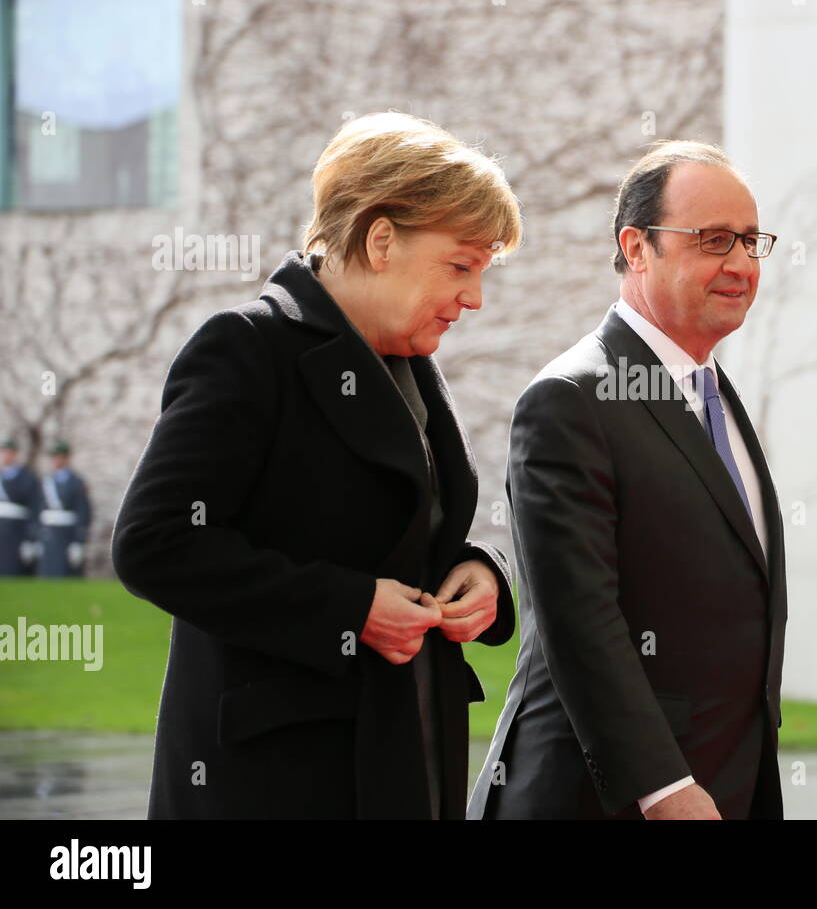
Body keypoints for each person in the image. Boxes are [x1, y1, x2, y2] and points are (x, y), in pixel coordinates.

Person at [111, 112, 522, 819]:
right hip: (279, 781)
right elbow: (154, 544)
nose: (474, 297)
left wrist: (484, 571)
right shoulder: (246, 348)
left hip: (407, 755)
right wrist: (350, 607)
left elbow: (406, 533)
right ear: (381, 237)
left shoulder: (404, 360)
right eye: (461, 265)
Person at [469, 141, 787, 820]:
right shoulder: (570, 399)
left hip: (723, 786)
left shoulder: (714, 392)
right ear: (636, 247)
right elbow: (580, 618)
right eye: (714, 240)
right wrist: (664, 787)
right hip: (602, 798)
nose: (740, 263)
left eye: (752, 241)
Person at [35, 440, 92, 578]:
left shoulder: (76, 482)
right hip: (49, 532)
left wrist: (78, 541)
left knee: (67, 571)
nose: (56, 460)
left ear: (66, 458)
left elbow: (83, 511)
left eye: (59, 456)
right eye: (54, 457)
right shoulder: (46, 481)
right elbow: (37, 509)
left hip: (68, 533)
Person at [0, 437, 43, 576]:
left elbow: (34, 507)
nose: (6, 455)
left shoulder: (26, 477)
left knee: (11, 567)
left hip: (16, 530)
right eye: (3, 452)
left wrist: (31, 538)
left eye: (9, 452)